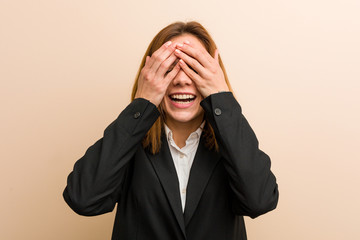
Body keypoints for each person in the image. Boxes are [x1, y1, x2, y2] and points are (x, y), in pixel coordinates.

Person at [63, 21, 279, 240]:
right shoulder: (128, 142)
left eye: (193, 67)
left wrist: (221, 99)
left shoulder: (231, 141)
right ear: (149, 75)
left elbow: (259, 201)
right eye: (169, 68)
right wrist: (143, 102)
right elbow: (83, 198)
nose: (181, 80)